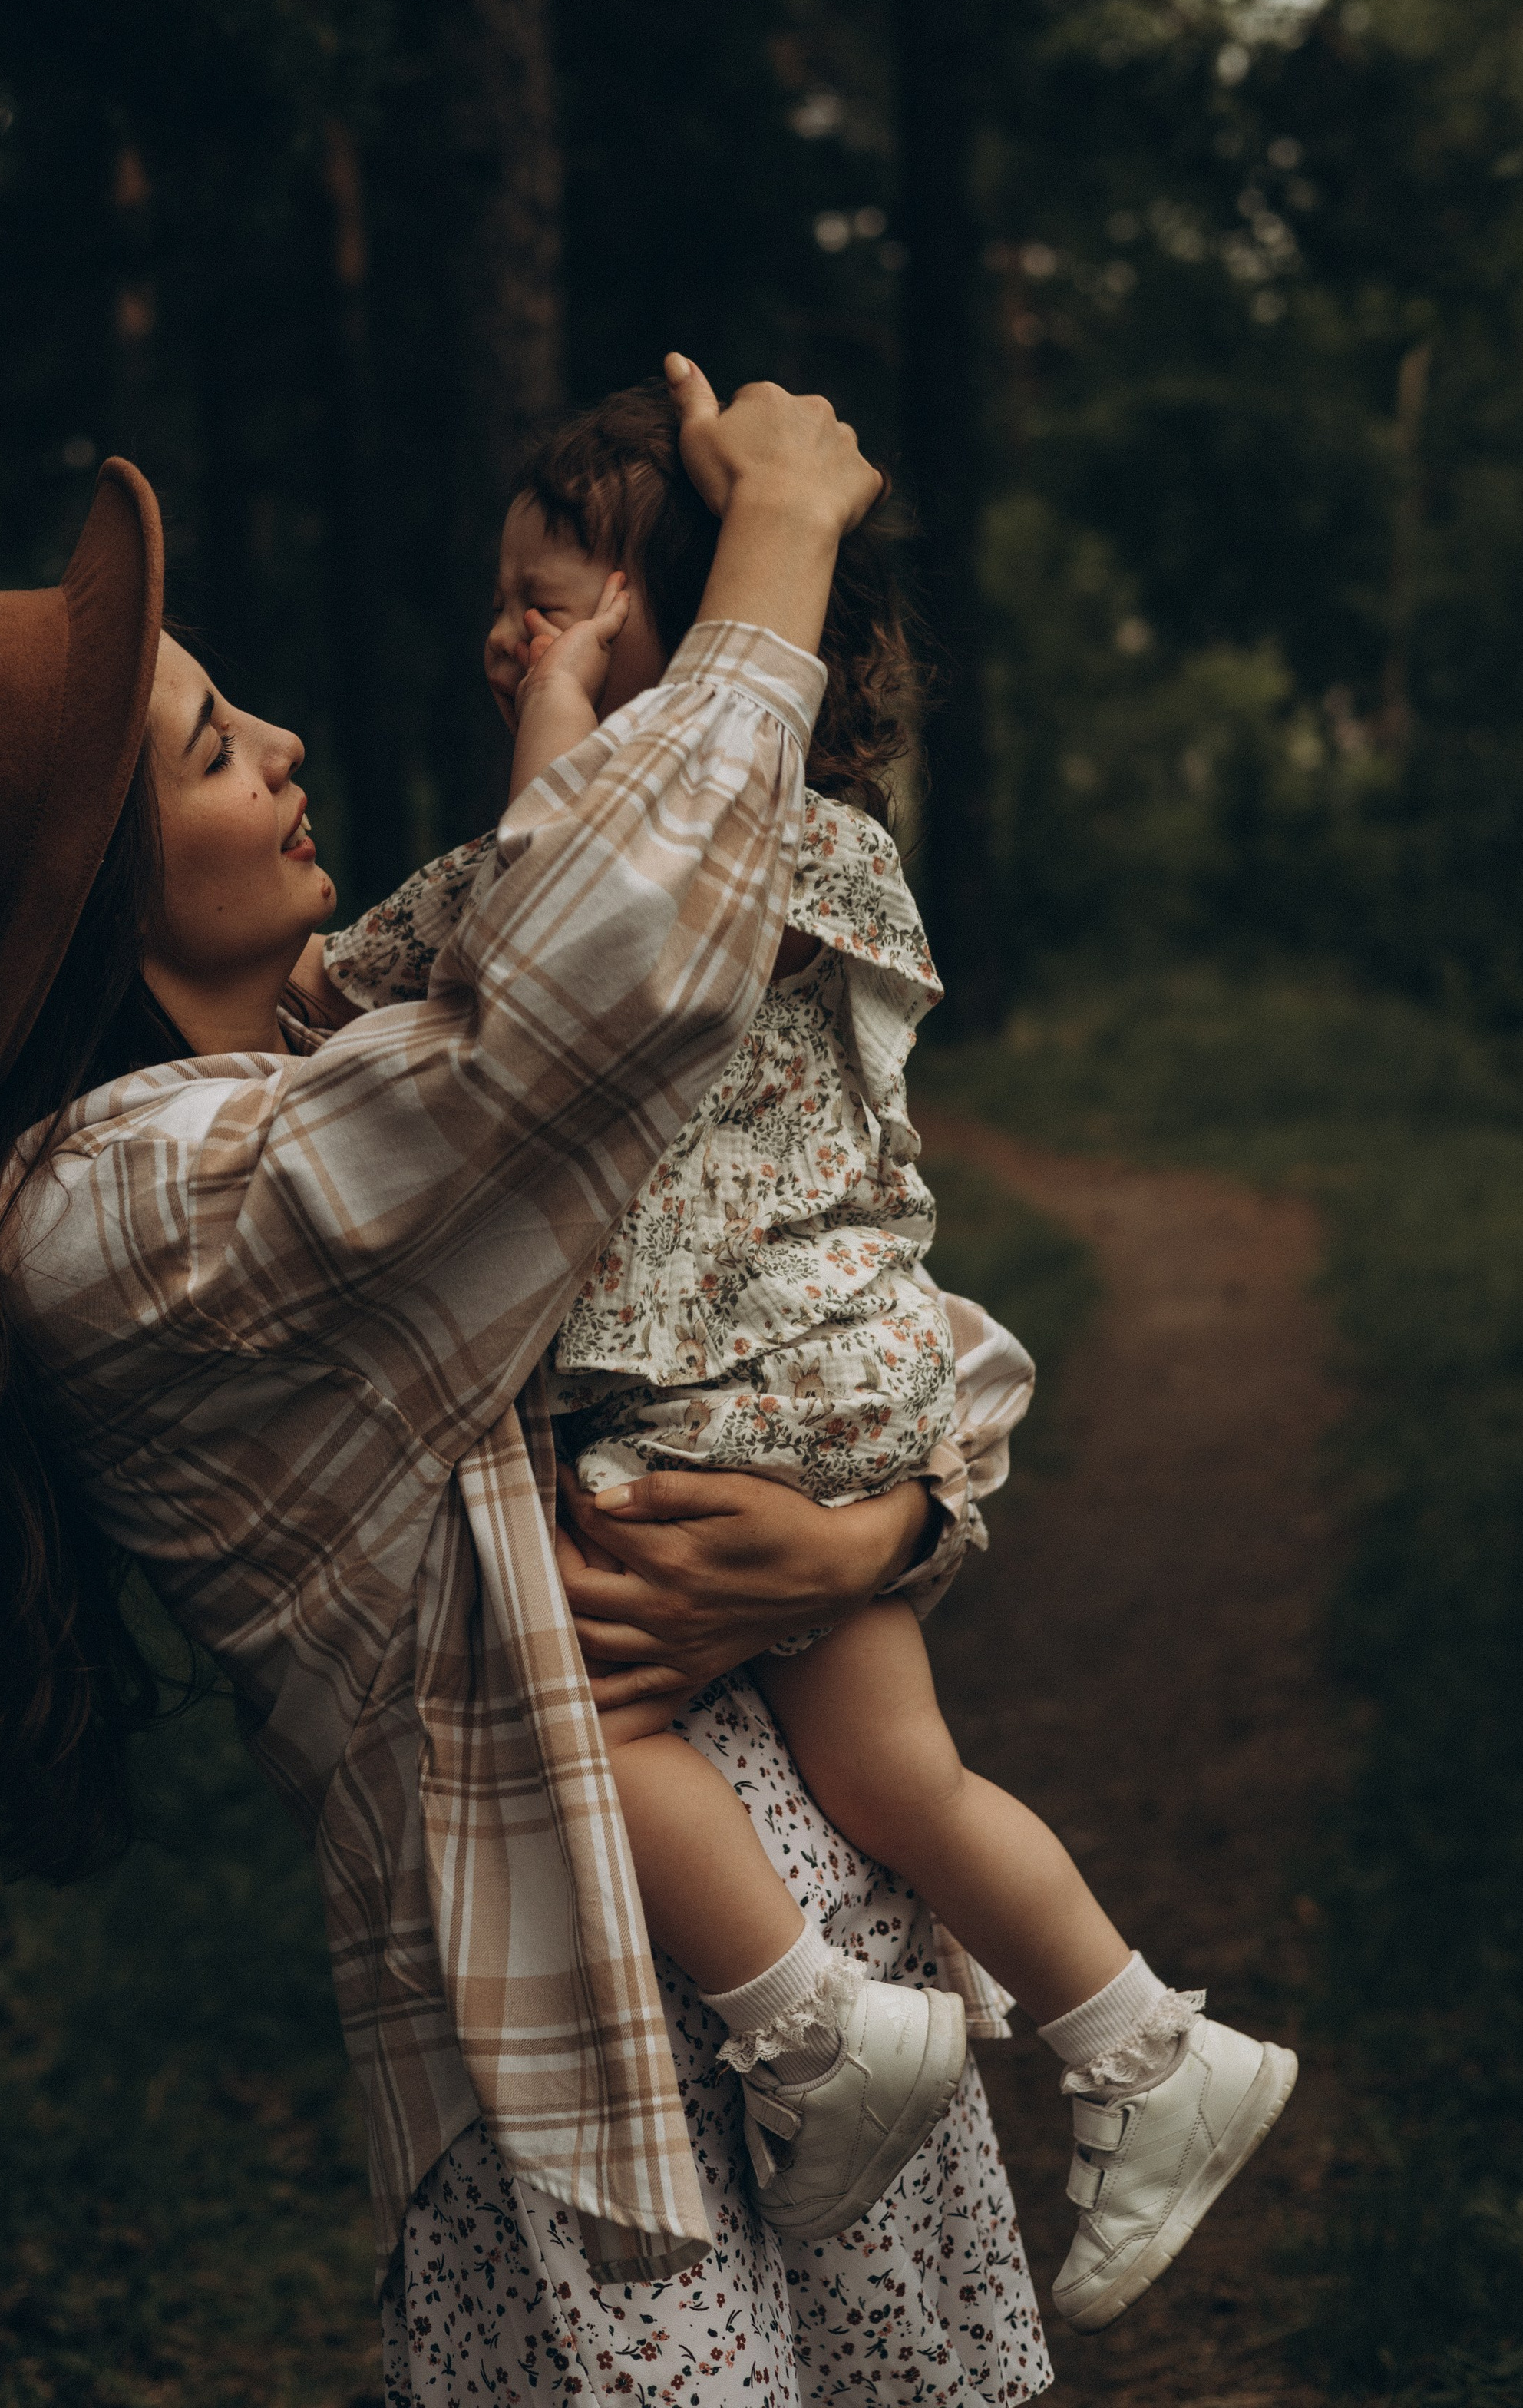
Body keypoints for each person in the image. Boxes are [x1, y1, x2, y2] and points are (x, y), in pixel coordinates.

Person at [0, 360, 1050, 2405]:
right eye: (206, 747)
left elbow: (818, 1283)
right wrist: (774, 556)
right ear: (93, 885)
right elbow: (603, 995)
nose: (276, 744)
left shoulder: (343, 1039)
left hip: (828, 1978)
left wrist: (867, 1527)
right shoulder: (111, 1209)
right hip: (582, 2091)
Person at [313, 378, 1297, 2337]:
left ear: (690, 640)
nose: (507, 635)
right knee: (899, 1772)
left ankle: (806, 2026)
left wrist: (521, 770)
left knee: (569, 1713)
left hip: (703, 1399)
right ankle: (1138, 2042)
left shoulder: (659, 843)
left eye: (553, 601)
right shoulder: (840, 847)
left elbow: (540, 940)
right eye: (500, 603)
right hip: (854, 1388)